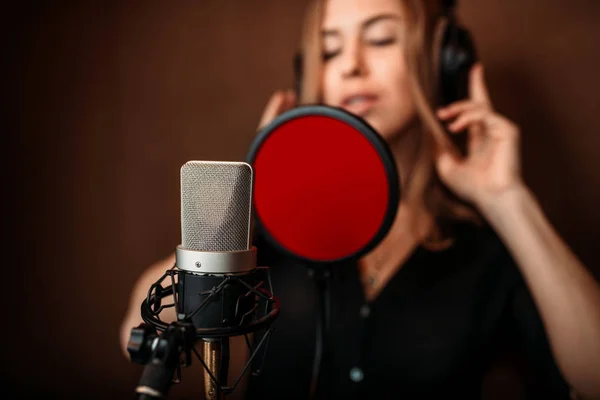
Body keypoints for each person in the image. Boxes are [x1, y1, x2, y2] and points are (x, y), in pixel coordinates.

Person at [120, 0, 600, 399]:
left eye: (381, 39)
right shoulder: (269, 233)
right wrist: (245, 197)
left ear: (440, 63)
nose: (351, 64)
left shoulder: (485, 252)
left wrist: (506, 199)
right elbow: (141, 336)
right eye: (329, 50)